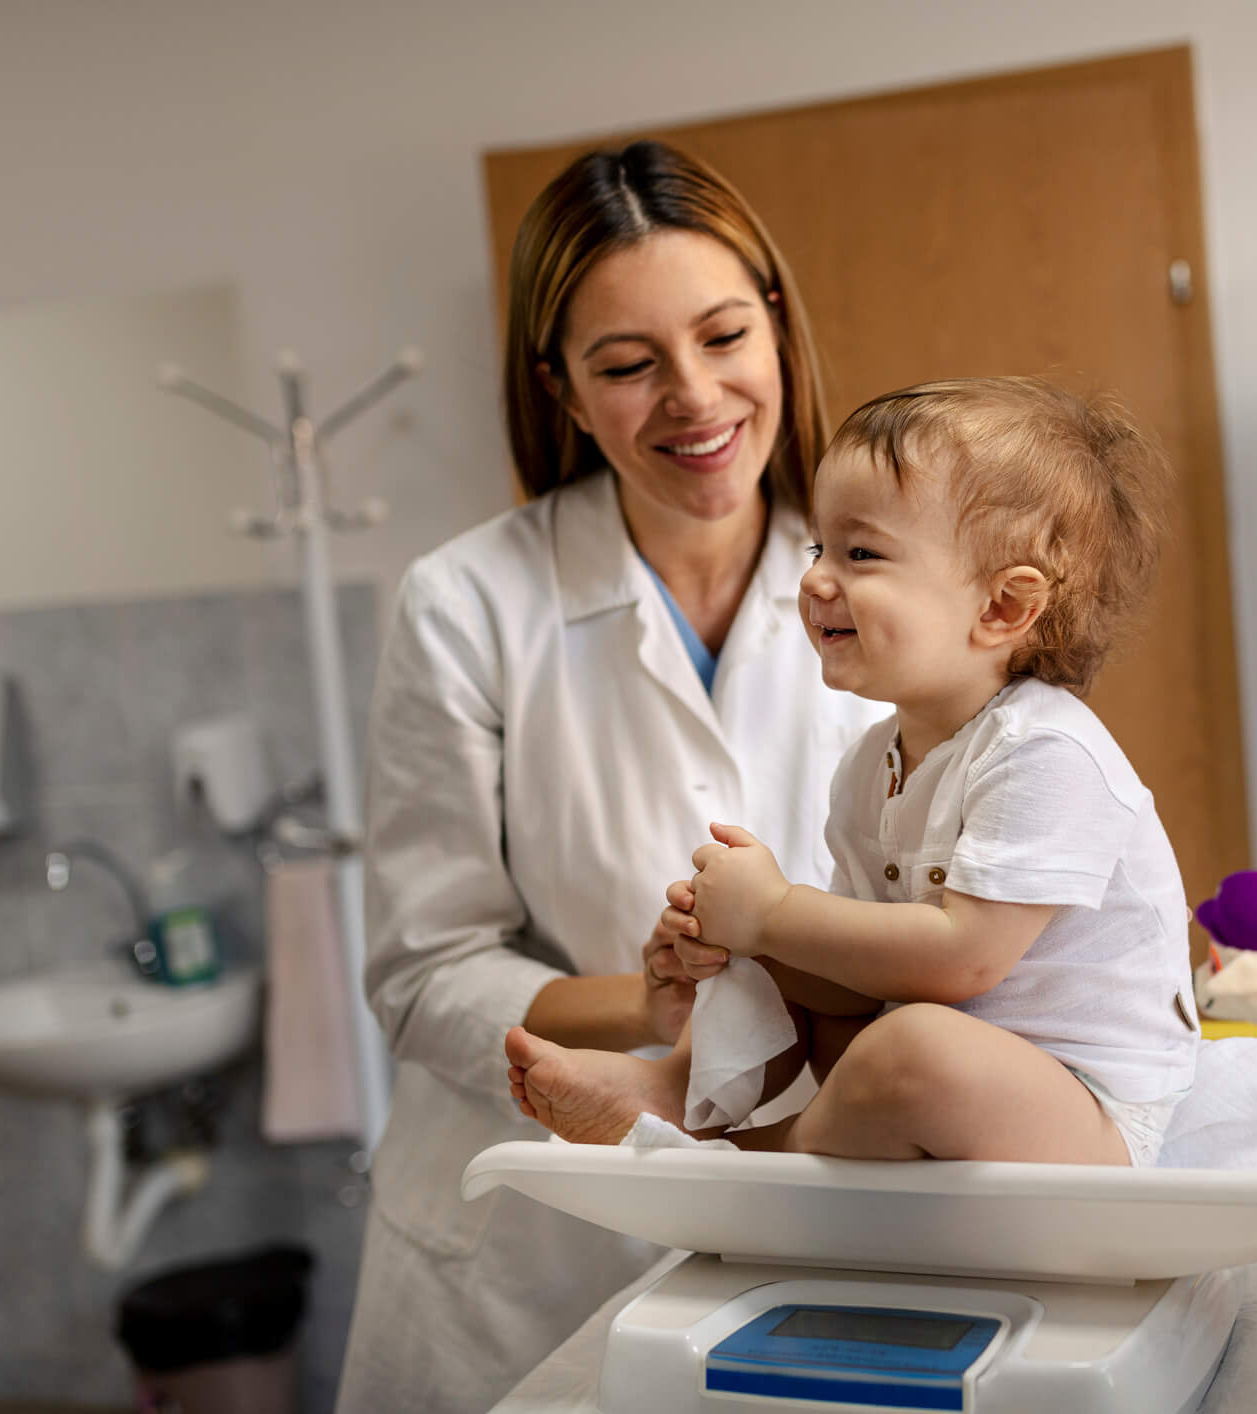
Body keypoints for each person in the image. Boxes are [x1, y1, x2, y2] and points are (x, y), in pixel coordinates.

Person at [335, 142, 886, 1414]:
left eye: (723, 335)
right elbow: (424, 974)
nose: (693, 398)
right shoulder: (468, 604)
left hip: (815, 1201)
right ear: (567, 394)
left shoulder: (880, 580)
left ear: (779, 325)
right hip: (530, 1248)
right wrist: (642, 1005)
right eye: (628, 366)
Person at [504, 376, 1202, 1169]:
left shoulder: (1045, 752)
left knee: (911, 1047)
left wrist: (774, 911)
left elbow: (961, 960)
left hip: (1088, 1115)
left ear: (1003, 609)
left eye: (860, 553)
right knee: (810, 973)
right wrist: (744, 938)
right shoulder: (871, 766)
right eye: (819, 549)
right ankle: (680, 1087)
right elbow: (858, 987)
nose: (814, 581)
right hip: (944, 1080)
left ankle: (756, 1151)